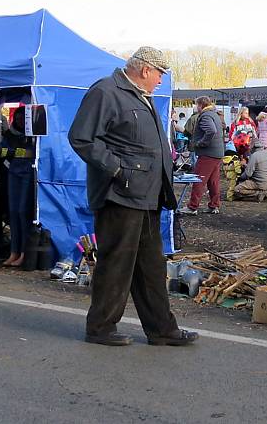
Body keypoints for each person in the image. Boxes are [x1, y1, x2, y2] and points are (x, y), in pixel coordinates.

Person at [68, 46, 196, 347]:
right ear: (145, 69)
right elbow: (81, 138)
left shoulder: (140, 96)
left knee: (150, 266)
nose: (161, 80)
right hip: (119, 195)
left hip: (147, 196)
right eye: (160, 73)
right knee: (116, 264)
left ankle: (162, 329)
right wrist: (117, 169)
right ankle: (100, 328)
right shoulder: (106, 92)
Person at [0, 106, 36, 267]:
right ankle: (14, 251)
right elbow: (0, 152)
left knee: (23, 212)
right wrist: (17, 152)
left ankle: (23, 252)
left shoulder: (33, 134)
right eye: (19, 118)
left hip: (28, 174)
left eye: (24, 119)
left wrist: (12, 152)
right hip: (13, 173)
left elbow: (32, 153)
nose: (21, 122)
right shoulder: (9, 134)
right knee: (13, 212)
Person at [179, 96, 224, 215]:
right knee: (213, 182)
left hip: (208, 153)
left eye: (196, 104)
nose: (195, 107)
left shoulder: (206, 115)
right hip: (217, 153)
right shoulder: (214, 114)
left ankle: (192, 207)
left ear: (200, 105)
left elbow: (211, 131)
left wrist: (201, 143)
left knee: (198, 179)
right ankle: (214, 205)